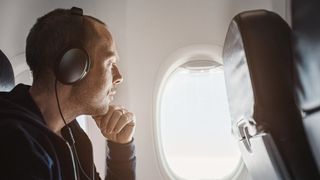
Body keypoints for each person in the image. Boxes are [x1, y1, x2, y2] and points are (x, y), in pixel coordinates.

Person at [0, 7, 136, 180]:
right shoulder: (18, 149)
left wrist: (121, 148)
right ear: (73, 67)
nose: (119, 77)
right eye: (110, 64)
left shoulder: (72, 135)